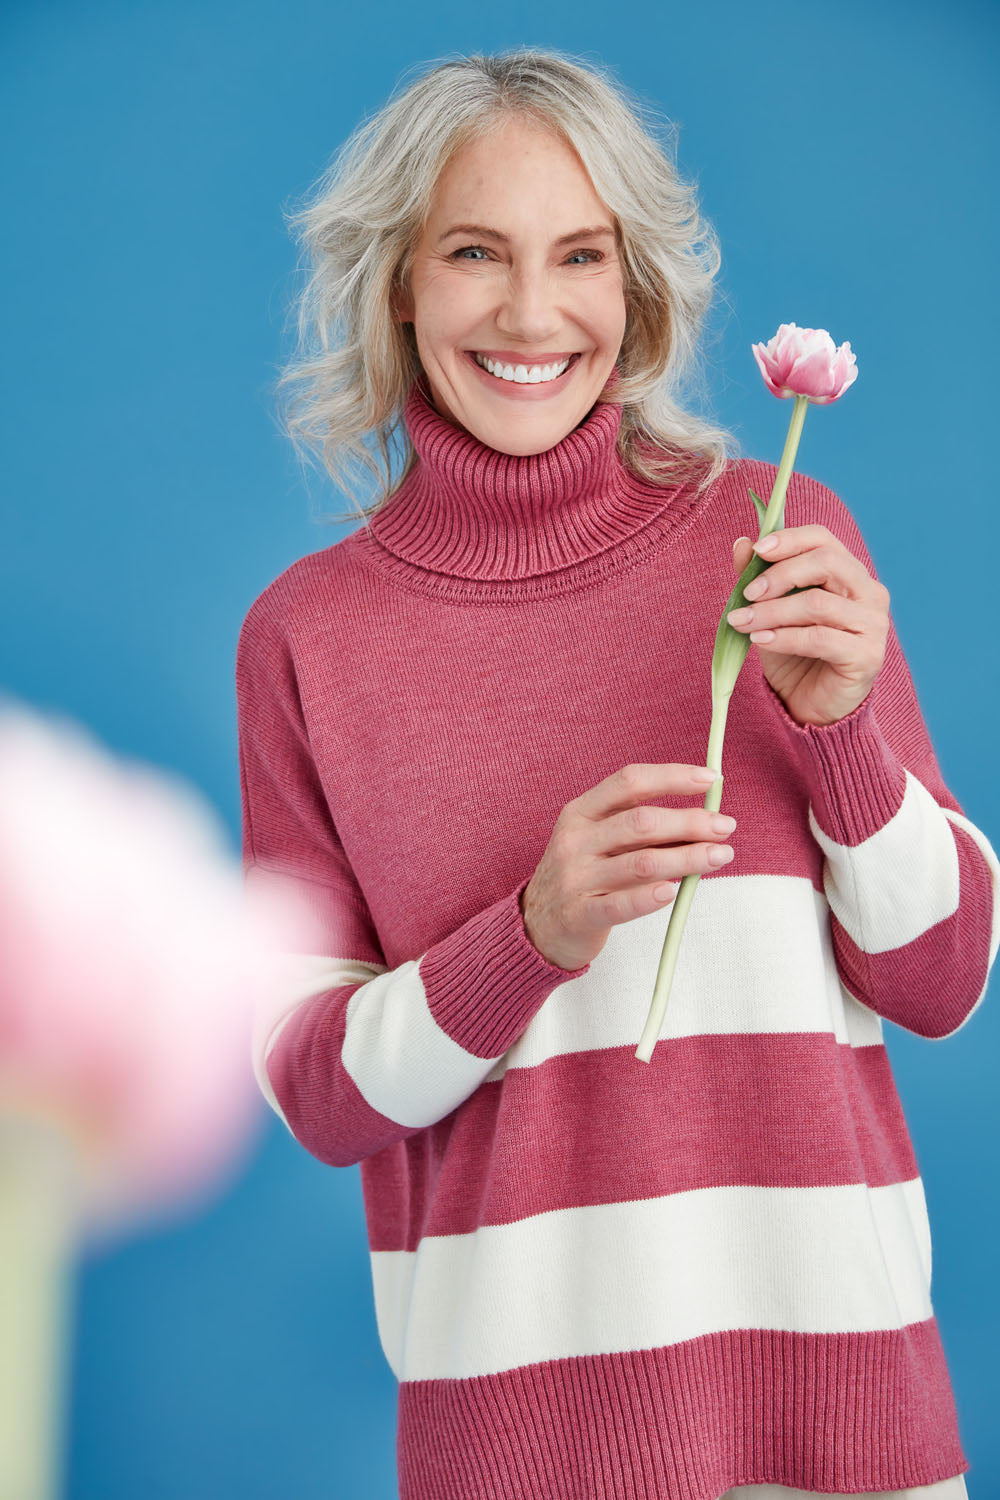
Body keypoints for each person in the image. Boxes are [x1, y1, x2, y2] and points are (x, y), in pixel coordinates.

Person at [235, 47, 997, 1500]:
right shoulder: (305, 640)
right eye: (474, 252)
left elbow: (946, 974)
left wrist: (842, 735)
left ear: (636, 289)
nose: (532, 313)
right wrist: (530, 940)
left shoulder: (780, 533)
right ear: (398, 281)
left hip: (843, 1431)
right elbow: (315, 1092)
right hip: (515, 1453)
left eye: (580, 256)